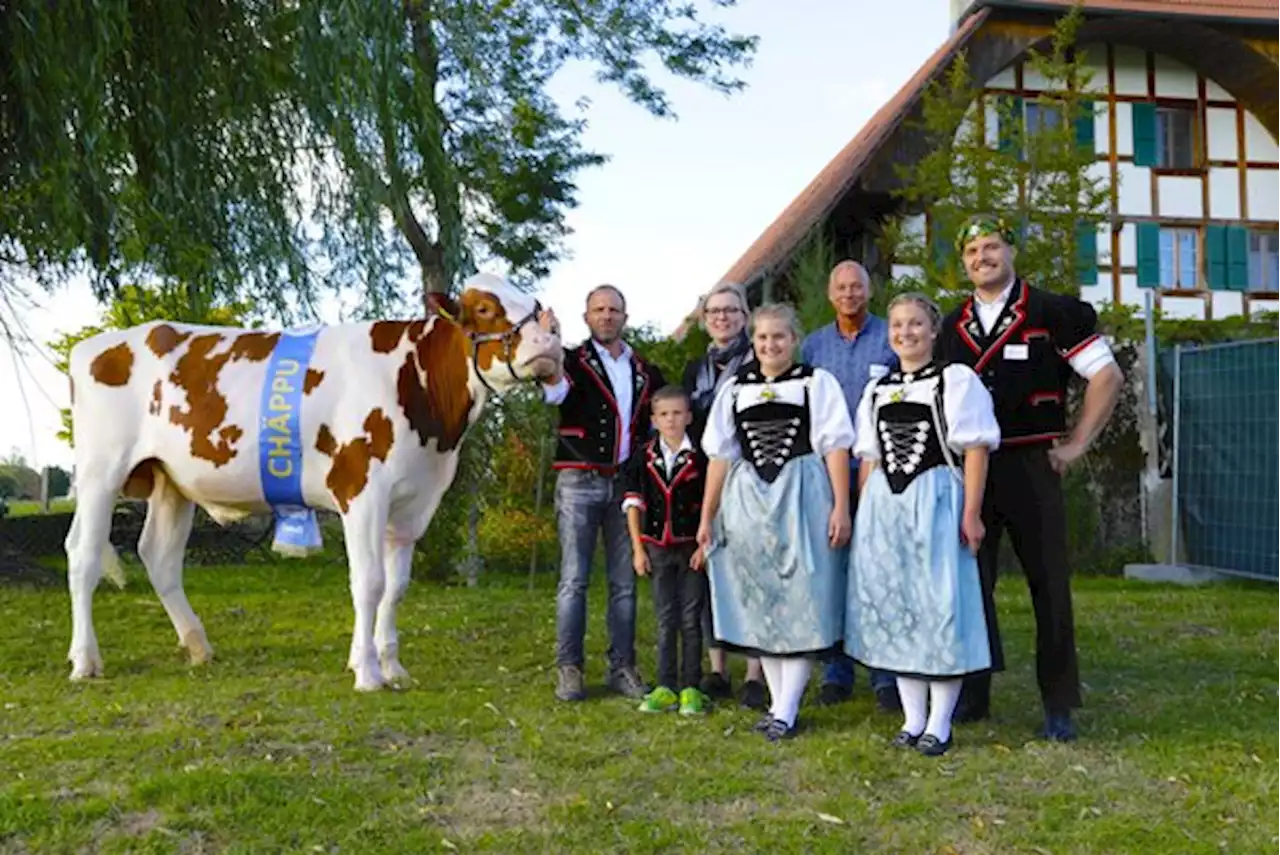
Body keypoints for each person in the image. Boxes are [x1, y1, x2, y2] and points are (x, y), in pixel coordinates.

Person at [938, 215, 1123, 742]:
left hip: (1032, 463)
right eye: (971, 250)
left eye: (991, 246)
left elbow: (1105, 376)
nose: (982, 257)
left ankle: (1059, 703)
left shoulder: (1052, 311)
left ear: (1011, 251)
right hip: (971, 469)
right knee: (972, 586)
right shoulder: (952, 326)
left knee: (1049, 586)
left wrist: (1078, 443)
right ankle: (972, 694)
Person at [844, 293, 1001, 757]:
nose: (905, 333)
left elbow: (975, 449)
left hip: (936, 499)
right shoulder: (878, 389)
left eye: (915, 324)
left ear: (934, 331)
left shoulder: (955, 380)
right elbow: (870, 457)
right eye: (897, 325)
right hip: (885, 508)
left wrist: (971, 512)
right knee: (898, 608)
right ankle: (913, 718)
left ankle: (940, 721)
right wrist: (863, 515)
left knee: (940, 605)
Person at [697, 304, 855, 741]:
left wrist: (840, 506)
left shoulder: (815, 382)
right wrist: (707, 517)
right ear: (754, 341)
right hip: (747, 498)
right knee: (760, 597)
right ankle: (778, 703)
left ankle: (786, 706)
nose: (770, 345)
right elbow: (720, 456)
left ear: (794, 339)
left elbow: (836, 447)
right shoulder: (734, 389)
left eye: (779, 337)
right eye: (763, 338)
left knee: (802, 595)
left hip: (802, 491)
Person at [539, 285, 667, 703]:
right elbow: (554, 392)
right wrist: (549, 342)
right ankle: (569, 667)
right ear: (587, 317)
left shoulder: (646, 370)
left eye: (614, 310)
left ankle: (622, 666)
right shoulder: (572, 361)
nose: (607, 316)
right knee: (574, 579)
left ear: (625, 318)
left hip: (624, 483)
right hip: (579, 479)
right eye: (599, 309)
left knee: (624, 582)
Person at [799, 260, 901, 711]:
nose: (849, 294)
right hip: (828, 475)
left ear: (869, 290)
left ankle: (885, 673)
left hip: (883, 470)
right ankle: (836, 671)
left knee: (880, 571)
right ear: (829, 293)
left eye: (856, 286)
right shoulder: (813, 346)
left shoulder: (890, 338)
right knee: (834, 572)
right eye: (841, 287)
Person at [680, 281, 767, 711]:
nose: (723, 318)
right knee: (710, 571)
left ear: (745, 316)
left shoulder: (761, 359)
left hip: (753, 480)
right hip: (704, 480)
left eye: (731, 311)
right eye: (714, 311)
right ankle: (717, 668)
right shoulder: (694, 368)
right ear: (704, 319)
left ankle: (755, 672)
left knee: (752, 573)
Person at [622, 385, 711, 716]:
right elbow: (633, 503)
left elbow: (712, 506)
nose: (671, 420)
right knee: (664, 619)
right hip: (657, 548)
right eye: (664, 414)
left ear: (688, 416)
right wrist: (637, 549)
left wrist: (705, 546)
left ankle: (691, 686)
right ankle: (665, 686)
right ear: (654, 419)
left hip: (692, 549)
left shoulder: (702, 456)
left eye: (677, 413)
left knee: (690, 618)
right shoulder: (643, 457)